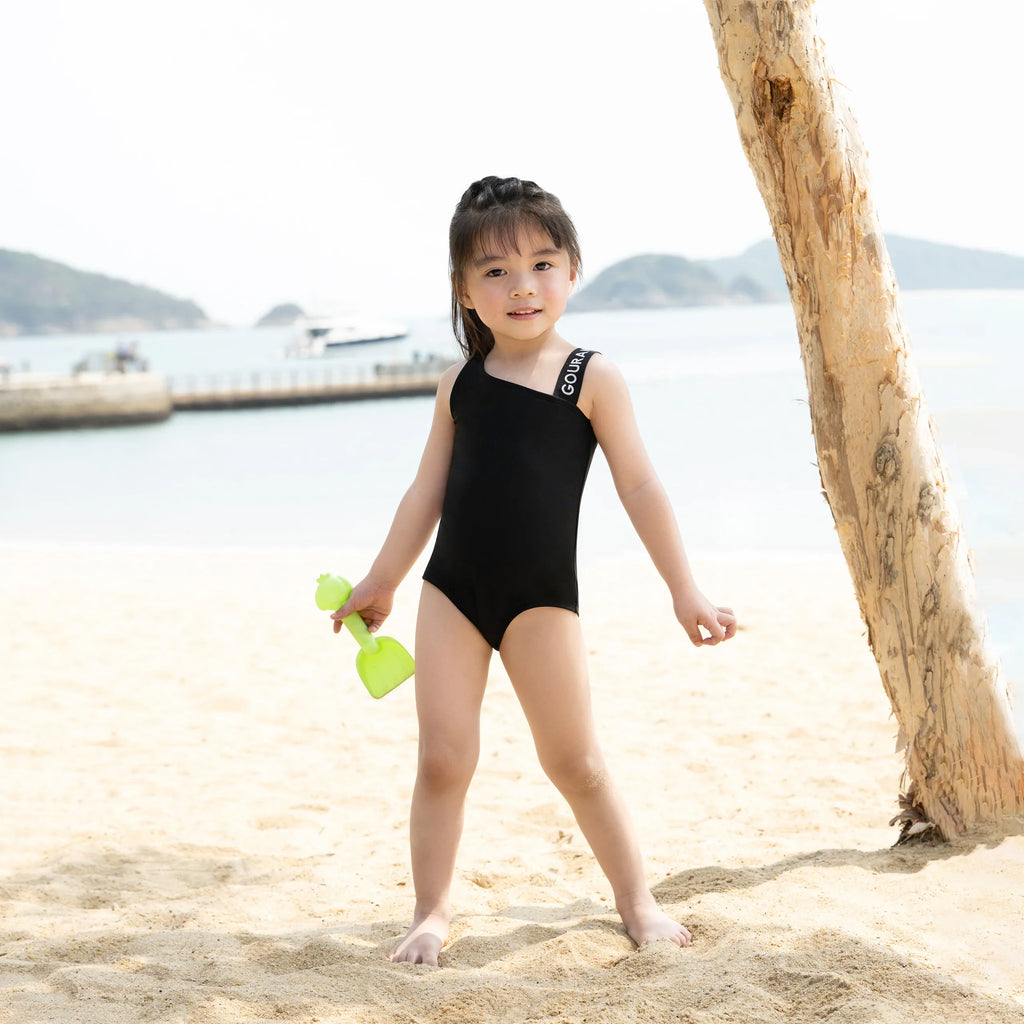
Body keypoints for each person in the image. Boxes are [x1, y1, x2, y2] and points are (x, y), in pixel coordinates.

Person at [330, 176, 736, 966]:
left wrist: (684, 588)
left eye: (543, 264)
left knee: (575, 761)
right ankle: (431, 911)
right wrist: (380, 580)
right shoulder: (460, 385)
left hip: (542, 599)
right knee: (444, 756)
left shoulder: (591, 378)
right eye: (495, 271)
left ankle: (637, 901)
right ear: (464, 290)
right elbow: (427, 492)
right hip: (451, 591)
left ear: (573, 272)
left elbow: (641, 485)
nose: (523, 287)